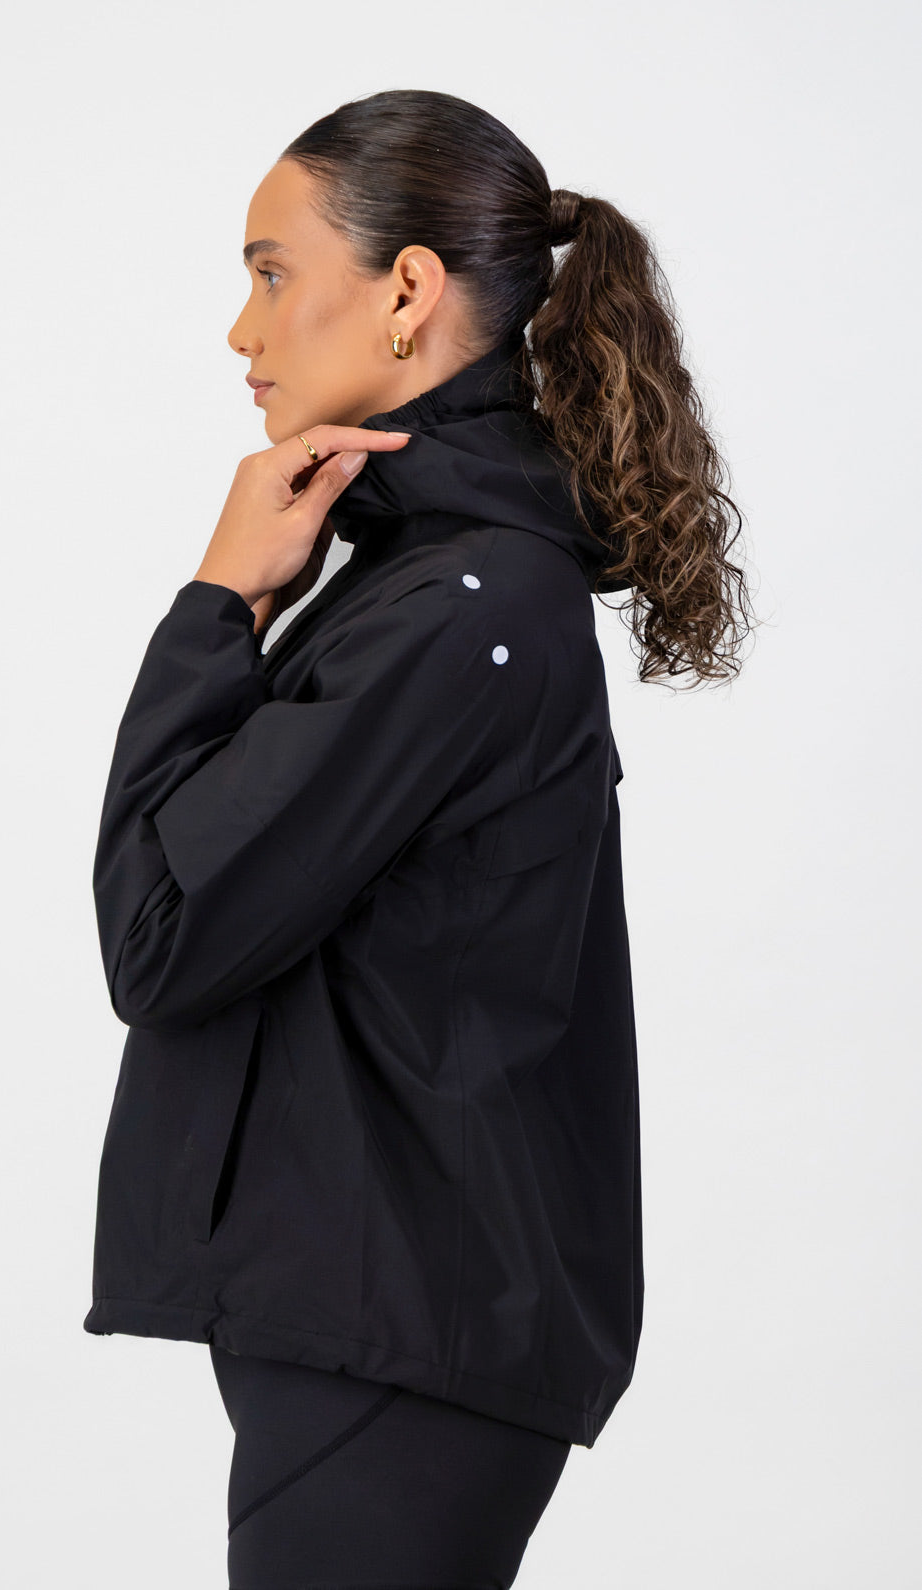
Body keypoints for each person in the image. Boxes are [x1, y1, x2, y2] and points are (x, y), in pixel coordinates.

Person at [83, 88, 755, 1587]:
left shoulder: (458, 606)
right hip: (395, 1319)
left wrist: (217, 604)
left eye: (271, 273)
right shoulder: (434, 583)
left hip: (403, 1338)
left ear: (406, 290)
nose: (242, 333)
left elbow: (160, 937)